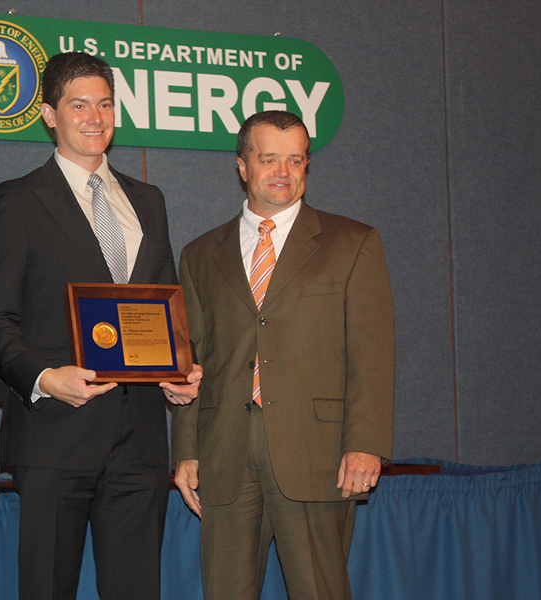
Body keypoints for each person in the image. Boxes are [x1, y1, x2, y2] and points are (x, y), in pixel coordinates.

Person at [0, 52, 201, 600]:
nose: (95, 117)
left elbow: (164, 308)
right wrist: (43, 377)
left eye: (104, 104)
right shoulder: (16, 201)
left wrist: (181, 366)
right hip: (56, 435)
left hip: (141, 442)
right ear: (50, 115)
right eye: (79, 105)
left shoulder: (148, 201)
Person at [172, 110, 394, 600]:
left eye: (295, 160)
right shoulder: (200, 253)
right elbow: (193, 361)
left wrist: (367, 443)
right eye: (268, 158)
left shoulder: (352, 243)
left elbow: (371, 352)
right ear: (242, 166)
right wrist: (186, 450)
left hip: (317, 455)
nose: (283, 172)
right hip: (225, 452)